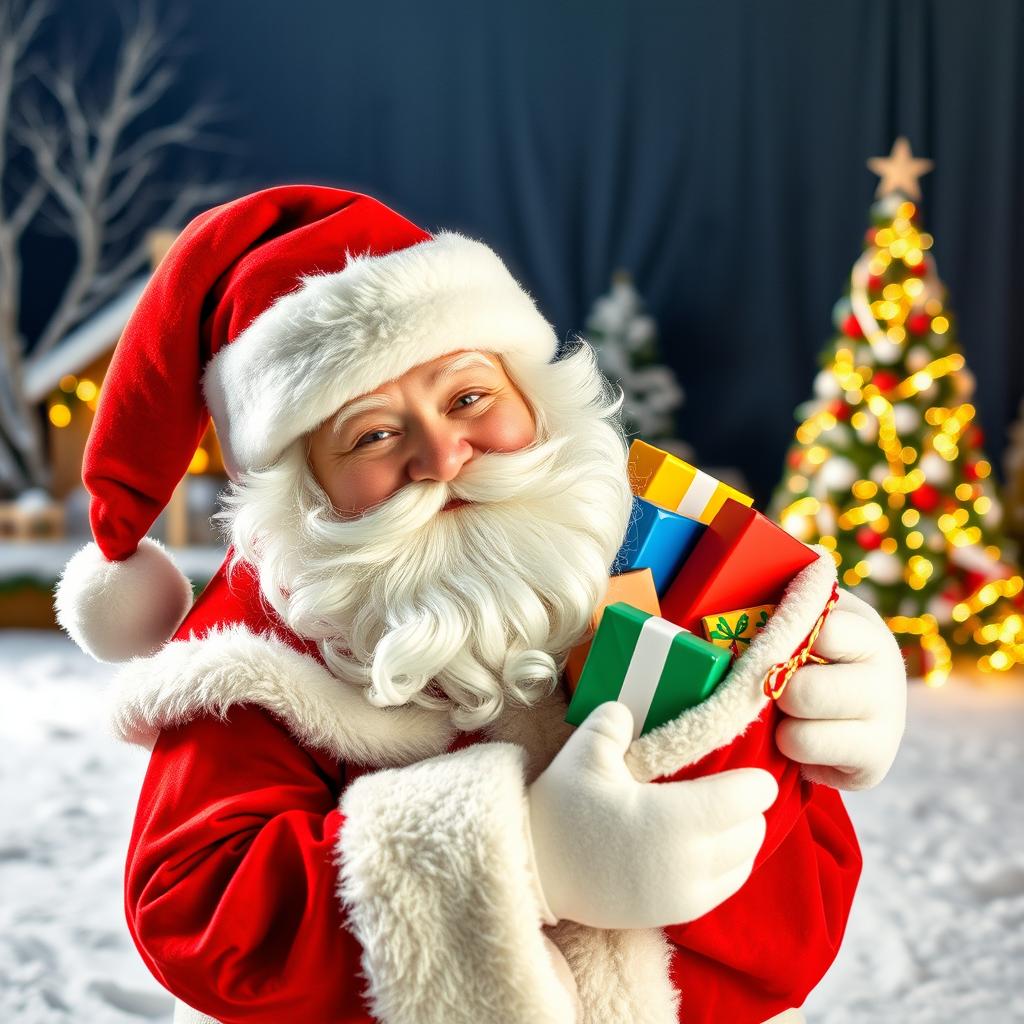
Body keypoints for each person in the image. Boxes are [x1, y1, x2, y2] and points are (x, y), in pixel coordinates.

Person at [55, 185, 907, 1024]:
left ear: (532, 395)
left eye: (468, 397)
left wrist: (809, 702)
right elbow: (201, 912)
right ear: (306, 488)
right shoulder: (256, 655)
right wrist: (522, 859)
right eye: (374, 434)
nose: (442, 453)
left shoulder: (644, 550)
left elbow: (785, 935)